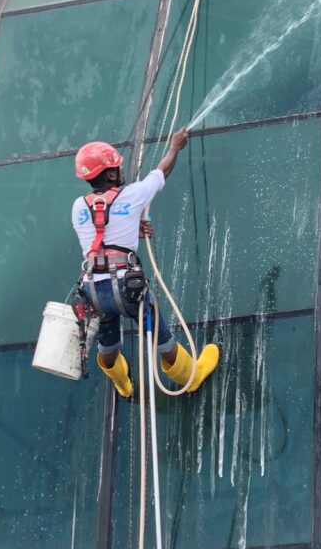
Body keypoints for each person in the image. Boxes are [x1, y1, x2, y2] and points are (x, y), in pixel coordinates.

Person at [71, 127, 219, 398]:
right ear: (112, 173)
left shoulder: (78, 206)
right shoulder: (132, 194)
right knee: (162, 341)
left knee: (108, 345)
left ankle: (122, 384)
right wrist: (175, 147)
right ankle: (191, 377)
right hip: (128, 287)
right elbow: (162, 172)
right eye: (117, 167)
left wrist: (130, 229)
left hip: (94, 289)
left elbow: (98, 234)